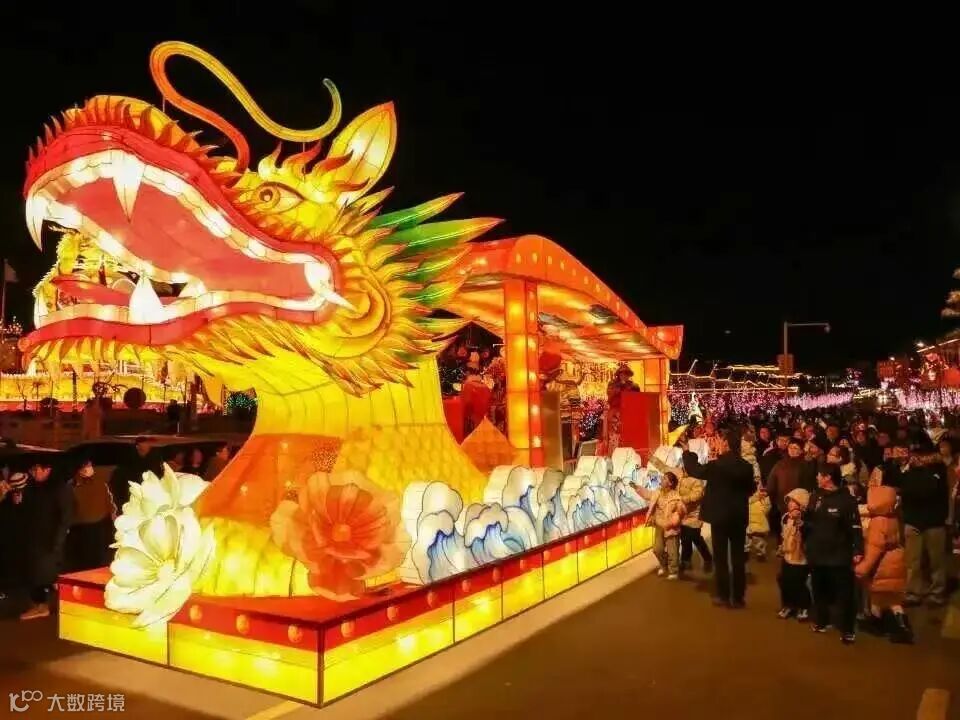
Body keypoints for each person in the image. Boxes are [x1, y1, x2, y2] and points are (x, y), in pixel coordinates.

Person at [682, 427, 755, 607]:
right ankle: (738, 597)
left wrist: (687, 452)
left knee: (721, 557)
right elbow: (751, 489)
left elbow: (695, 470)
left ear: (726, 444)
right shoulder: (746, 467)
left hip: (719, 517)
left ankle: (724, 595)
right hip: (738, 516)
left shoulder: (717, 466)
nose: (717, 444)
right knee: (738, 557)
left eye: (720, 441)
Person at [805, 463, 863, 643]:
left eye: (819, 474)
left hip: (838, 555)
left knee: (844, 593)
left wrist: (857, 549)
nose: (817, 477)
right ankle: (821, 621)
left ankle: (847, 629)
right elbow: (809, 521)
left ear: (828, 477)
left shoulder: (846, 500)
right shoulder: (815, 496)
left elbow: (855, 527)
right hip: (817, 552)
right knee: (819, 590)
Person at [855, 485, 912, 643]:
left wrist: (863, 568)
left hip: (882, 565)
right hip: (895, 561)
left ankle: (877, 624)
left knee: (877, 597)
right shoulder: (893, 517)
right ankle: (902, 626)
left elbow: (875, 548)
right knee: (892, 600)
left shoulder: (878, 522)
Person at [19, 459, 73, 620]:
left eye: (37, 470)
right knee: (38, 573)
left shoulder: (59, 488)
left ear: (47, 470)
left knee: (43, 575)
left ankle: (42, 606)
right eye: (32, 470)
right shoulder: (32, 487)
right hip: (34, 538)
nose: (34, 473)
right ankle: (41, 604)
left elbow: (65, 517)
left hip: (49, 540)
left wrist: (58, 542)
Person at [893, 451, 948, 607]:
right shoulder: (908, 474)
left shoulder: (938, 472)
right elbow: (902, 488)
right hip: (913, 522)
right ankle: (913, 593)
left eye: (919, 456)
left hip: (934, 522)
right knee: (913, 562)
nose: (915, 459)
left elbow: (929, 490)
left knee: (936, 561)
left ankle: (936, 593)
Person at [66, 458, 115, 572]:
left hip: (99, 526)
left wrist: (113, 514)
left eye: (89, 465)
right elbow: (68, 507)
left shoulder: (100, 481)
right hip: (79, 528)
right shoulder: (72, 485)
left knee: (98, 559)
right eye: (85, 466)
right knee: (81, 561)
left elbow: (109, 500)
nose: (87, 469)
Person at [637, 471, 686, 579]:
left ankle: (673, 570)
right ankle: (664, 565)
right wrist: (637, 488)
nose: (661, 480)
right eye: (662, 478)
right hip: (659, 525)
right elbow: (647, 494)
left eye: (664, 479)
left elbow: (681, 511)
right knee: (657, 549)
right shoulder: (657, 492)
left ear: (670, 483)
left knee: (673, 551)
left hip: (671, 527)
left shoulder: (676, 496)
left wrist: (674, 520)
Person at [777, 488, 811, 621]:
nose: (790, 504)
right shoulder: (786, 517)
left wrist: (799, 522)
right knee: (784, 580)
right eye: (790, 501)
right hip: (787, 555)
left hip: (800, 558)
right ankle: (788, 605)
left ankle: (803, 607)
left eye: (794, 501)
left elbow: (807, 533)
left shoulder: (806, 519)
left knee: (798, 583)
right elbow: (783, 534)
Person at [109, 437, 161, 509]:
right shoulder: (124, 468)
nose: (148, 446)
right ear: (137, 446)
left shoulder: (153, 464)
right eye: (146, 444)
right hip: (130, 504)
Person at [678, 466, 712, 573]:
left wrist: (683, 499)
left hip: (694, 515)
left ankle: (707, 558)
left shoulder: (697, 480)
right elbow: (665, 468)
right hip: (683, 514)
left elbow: (697, 495)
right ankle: (685, 561)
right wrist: (653, 459)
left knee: (695, 537)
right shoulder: (681, 477)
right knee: (685, 538)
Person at [747, 481, 771, 560]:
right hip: (750, 523)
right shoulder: (751, 499)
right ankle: (746, 552)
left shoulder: (764, 500)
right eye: (760, 491)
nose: (762, 493)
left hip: (760, 524)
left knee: (759, 541)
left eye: (764, 491)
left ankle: (761, 554)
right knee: (748, 540)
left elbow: (766, 510)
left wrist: (765, 501)